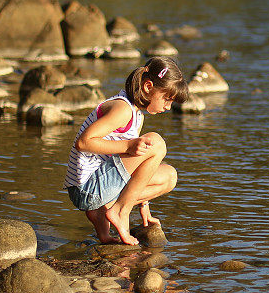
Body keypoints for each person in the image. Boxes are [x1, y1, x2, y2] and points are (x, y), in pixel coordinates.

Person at [63, 56, 189, 245]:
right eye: (167, 99)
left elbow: (138, 166)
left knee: (169, 176)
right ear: (148, 87)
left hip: (99, 185)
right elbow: (83, 142)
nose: (168, 107)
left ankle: (104, 215)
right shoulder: (122, 109)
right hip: (86, 188)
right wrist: (128, 146)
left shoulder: (137, 115)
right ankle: (120, 210)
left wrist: (144, 205)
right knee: (156, 142)